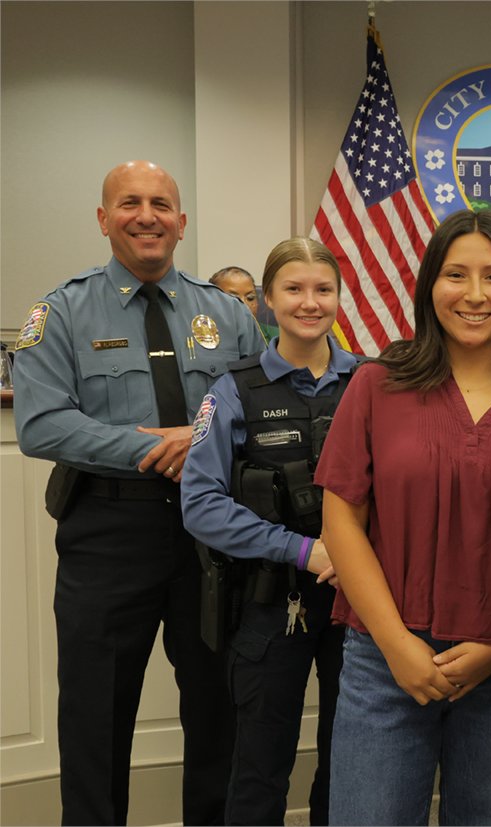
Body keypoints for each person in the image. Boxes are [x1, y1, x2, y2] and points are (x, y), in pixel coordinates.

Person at [12, 160, 264, 825]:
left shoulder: (226, 313)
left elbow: (260, 406)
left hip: (213, 535)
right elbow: (41, 423)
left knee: (218, 704)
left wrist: (200, 436)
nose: (146, 214)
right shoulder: (62, 309)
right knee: (95, 712)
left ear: (182, 222)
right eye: (129, 202)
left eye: (160, 203)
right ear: (104, 219)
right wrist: (163, 445)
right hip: (107, 531)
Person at [315, 209, 491, 825]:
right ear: (429, 285)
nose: (474, 294)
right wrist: (398, 646)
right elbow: (341, 525)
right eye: (455, 274)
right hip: (383, 663)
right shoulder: (376, 385)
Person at [181, 238, 357, 825]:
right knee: (258, 765)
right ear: (266, 302)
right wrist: (304, 550)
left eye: (323, 289)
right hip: (267, 600)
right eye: (294, 289)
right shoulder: (232, 389)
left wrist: (354, 555)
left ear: (339, 297)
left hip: (360, 604)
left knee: (352, 759)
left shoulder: (374, 382)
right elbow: (201, 504)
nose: (310, 303)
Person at [212, 265, 279, 341]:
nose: (244, 304)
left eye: (250, 298)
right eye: (233, 298)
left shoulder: (279, 337)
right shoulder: (204, 337)